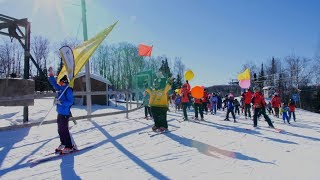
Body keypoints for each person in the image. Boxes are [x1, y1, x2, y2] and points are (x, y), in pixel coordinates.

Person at [48, 67, 75, 154]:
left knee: (64, 129)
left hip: (65, 113)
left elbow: (70, 102)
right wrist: (51, 74)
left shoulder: (68, 90)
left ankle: (69, 146)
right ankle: (63, 143)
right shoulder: (60, 88)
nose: (59, 83)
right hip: (59, 112)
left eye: (60, 82)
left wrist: (61, 102)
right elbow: (53, 83)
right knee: (59, 129)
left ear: (64, 82)